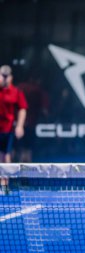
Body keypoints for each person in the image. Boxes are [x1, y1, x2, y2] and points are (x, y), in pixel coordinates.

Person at [0, 65, 28, 195]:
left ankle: (4, 186)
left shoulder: (16, 92)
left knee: (6, 157)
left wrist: (20, 125)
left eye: (7, 76)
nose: (4, 78)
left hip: (8, 130)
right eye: (2, 75)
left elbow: (22, 109)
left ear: (11, 77)